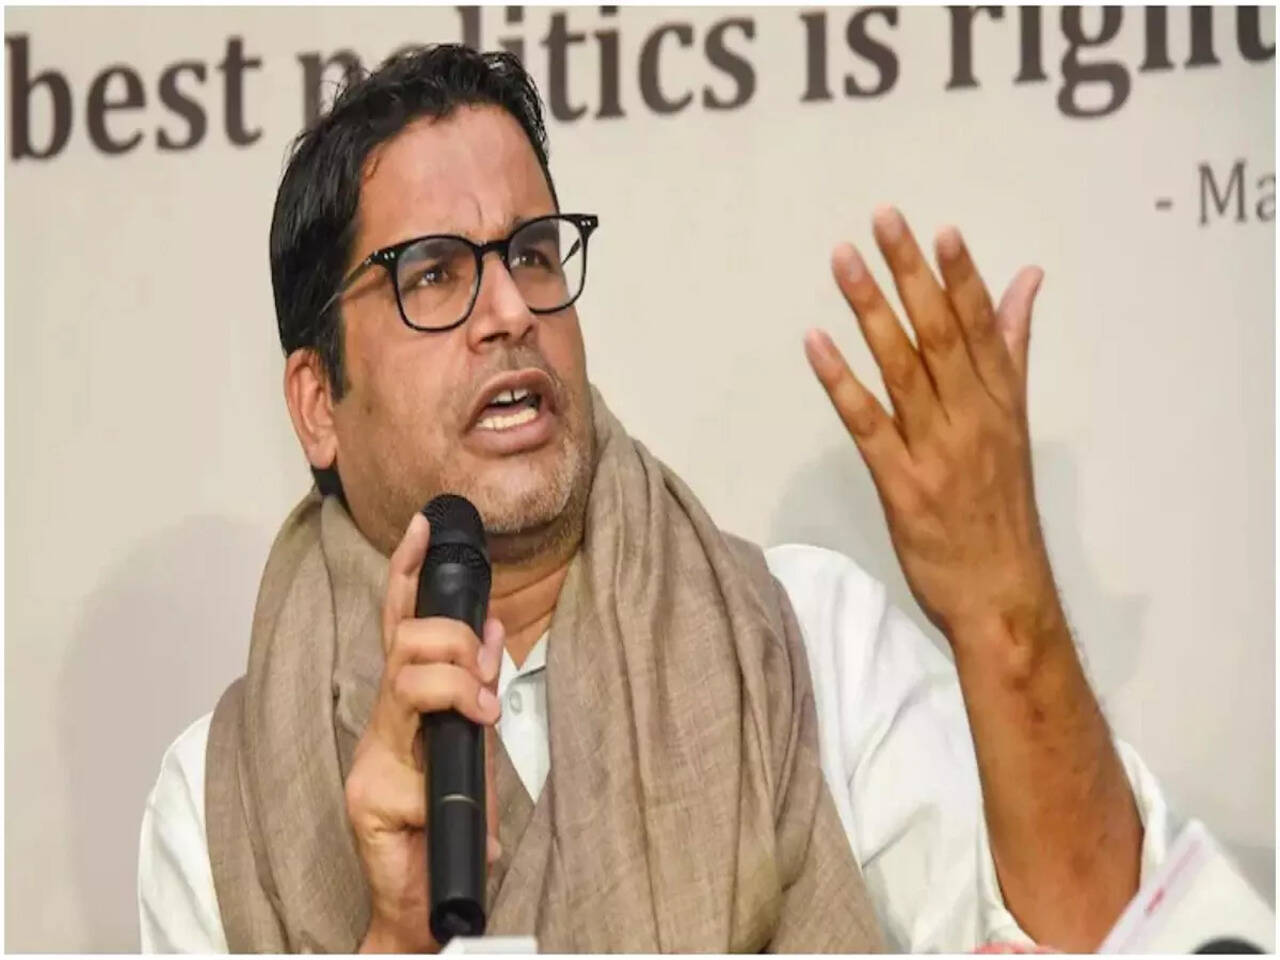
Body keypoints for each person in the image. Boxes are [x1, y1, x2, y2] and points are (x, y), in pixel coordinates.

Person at [137, 44, 1179, 953]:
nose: (510, 309)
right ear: (317, 403)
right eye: (435, 274)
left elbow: (1102, 935)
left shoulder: (807, 645)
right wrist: (397, 942)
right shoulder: (218, 807)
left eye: (532, 253)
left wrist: (1006, 617)